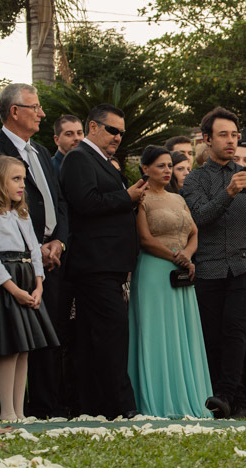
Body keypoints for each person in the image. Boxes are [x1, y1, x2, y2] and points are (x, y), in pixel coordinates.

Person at [182, 107, 246, 419]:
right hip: (210, 266)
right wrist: (228, 192)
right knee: (215, 334)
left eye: (235, 135)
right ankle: (229, 397)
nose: (231, 140)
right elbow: (199, 218)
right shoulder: (194, 180)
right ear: (207, 139)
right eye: (223, 135)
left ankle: (238, 396)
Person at [0, 83, 72, 419]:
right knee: (17, 341)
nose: (42, 113)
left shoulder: (41, 152)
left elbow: (59, 201)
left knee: (50, 333)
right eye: (35, 107)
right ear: (14, 111)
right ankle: (16, 408)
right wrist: (33, 246)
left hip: (51, 257)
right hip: (16, 261)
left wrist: (58, 241)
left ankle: (49, 405)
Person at [59, 103, 148, 419]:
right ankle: (121, 406)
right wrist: (127, 197)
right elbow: (85, 203)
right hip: (94, 263)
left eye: (121, 132)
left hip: (110, 264)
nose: (118, 137)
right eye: (112, 130)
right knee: (111, 333)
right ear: (93, 127)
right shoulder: (78, 159)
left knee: (96, 336)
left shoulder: (104, 162)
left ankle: (93, 404)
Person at [128, 146, 212, 418]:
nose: (167, 171)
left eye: (169, 166)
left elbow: (194, 232)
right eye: (160, 166)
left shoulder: (178, 198)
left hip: (182, 272)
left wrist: (187, 255)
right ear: (145, 169)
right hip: (154, 271)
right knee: (157, 332)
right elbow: (144, 239)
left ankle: (188, 396)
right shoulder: (141, 198)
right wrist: (177, 257)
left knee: (182, 332)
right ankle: (157, 400)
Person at [0, 155, 59, 422]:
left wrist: (39, 285)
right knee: (10, 348)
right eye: (16, 179)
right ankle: (7, 412)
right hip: (7, 283)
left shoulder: (21, 213)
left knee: (24, 349)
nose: (22, 184)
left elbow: (34, 250)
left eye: (23, 178)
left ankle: (20, 411)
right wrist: (14, 290)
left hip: (28, 280)